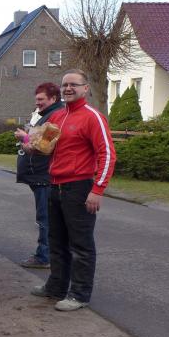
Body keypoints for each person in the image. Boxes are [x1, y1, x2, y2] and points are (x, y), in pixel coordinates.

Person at [30, 69, 116, 312]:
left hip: (79, 187)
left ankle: (79, 294)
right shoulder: (58, 116)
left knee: (80, 244)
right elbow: (44, 148)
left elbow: (107, 154)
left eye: (74, 85)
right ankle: (56, 286)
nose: (68, 88)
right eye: (65, 84)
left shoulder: (92, 117)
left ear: (85, 88)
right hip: (55, 185)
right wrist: (31, 145)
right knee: (56, 241)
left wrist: (98, 190)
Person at [13, 82, 64, 269]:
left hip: (44, 176)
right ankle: (51, 254)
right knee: (47, 218)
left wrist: (25, 138)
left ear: (53, 98)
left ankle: (44, 256)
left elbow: (44, 145)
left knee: (45, 219)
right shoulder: (48, 115)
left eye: (41, 99)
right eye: (36, 99)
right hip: (41, 176)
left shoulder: (55, 116)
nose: (37, 103)